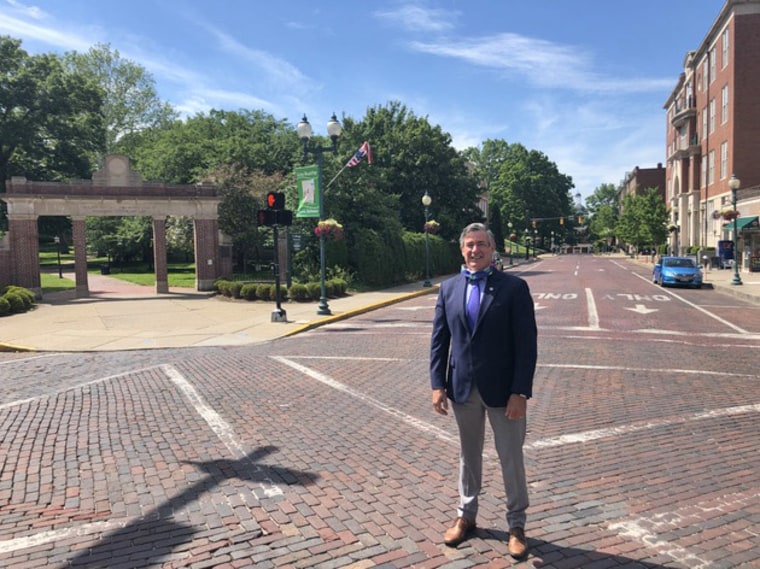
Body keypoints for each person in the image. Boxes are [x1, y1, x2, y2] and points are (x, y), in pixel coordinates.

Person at [430, 222, 537, 560]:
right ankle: (466, 516)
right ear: (462, 250)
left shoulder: (514, 288)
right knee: (468, 456)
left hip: (504, 391)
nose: (475, 250)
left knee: (511, 458)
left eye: (481, 245)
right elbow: (439, 341)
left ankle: (516, 525)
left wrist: (519, 391)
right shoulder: (448, 289)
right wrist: (437, 384)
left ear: (492, 250)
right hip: (462, 389)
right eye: (469, 245)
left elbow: (527, 345)